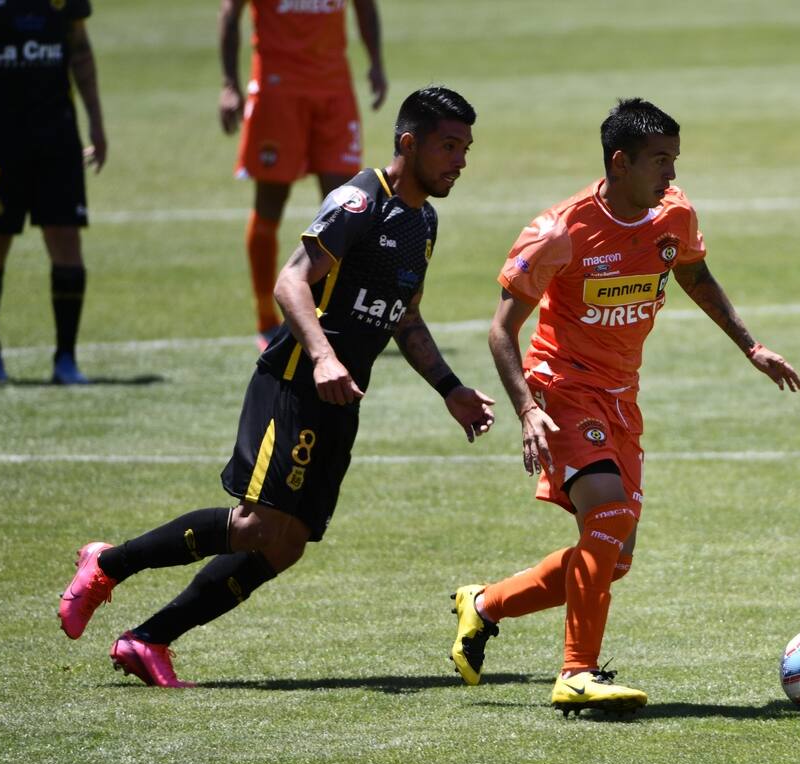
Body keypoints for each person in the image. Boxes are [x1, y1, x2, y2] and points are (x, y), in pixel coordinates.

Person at [59, 87, 494, 687]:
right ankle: (108, 563)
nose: (461, 161)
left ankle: (147, 639)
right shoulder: (360, 200)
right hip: (296, 379)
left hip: (342, 395)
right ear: (409, 143)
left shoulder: (423, 222)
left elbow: (406, 316)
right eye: (449, 146)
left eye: (466, 148)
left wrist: (450, 388)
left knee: (285, 544)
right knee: (257, 526)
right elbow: (291, 283)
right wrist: (322, 357)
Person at [450, 98, 800, 716]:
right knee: (608, 515)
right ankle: (577, 673)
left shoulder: (674, 215)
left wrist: (752, 346)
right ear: (621, 162)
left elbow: (695, 275)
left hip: (620, 396)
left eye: (675, 159)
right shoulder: (559, 232)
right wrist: (528, 410)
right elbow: (501, 331)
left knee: (613, 558)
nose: (672, 173)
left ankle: (484, 605)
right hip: (562, 386)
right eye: (660, 160)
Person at [0, 0, 107, 384]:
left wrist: (96, 121)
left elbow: (79, 49)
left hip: (57, 133)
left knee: (67, 242)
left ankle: (66, 360)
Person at [219, 0, 388, 351]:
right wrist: (229, 83)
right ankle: (266, 320)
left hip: (334, 90)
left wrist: (376, 63)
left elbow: (365, 7)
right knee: (270, 203)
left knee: (349, 207)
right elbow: (229, 14)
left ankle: (337, 316)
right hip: (277, 90)